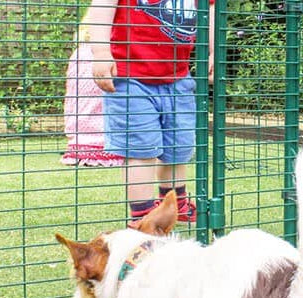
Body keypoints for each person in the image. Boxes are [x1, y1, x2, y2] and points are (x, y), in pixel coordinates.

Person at [87, 0, 215, 223]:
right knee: (140, 151)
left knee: (179, 147)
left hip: (178, 76)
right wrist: (100, 52)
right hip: (130, 76)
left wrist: (215, 52)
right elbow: (101, 7)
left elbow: (210, 11)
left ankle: (176, 205)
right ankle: (143, 218)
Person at [61, 14, 124, 167]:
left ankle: (83, 145)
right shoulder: (107, 51)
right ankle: (105, 145)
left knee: (81, 103)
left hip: (78, 127)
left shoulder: (78, 53)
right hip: (104, 60)